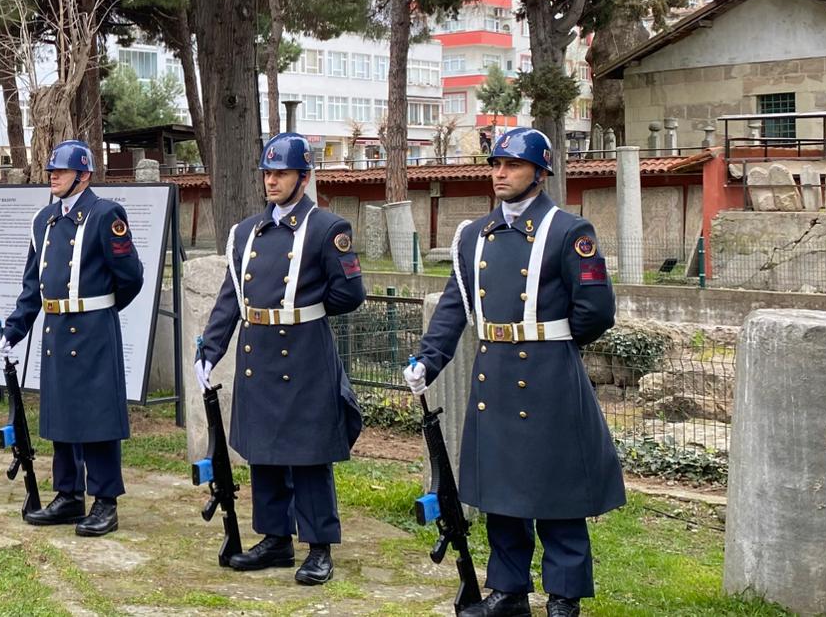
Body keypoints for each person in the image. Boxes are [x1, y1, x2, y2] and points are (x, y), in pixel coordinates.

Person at [404, 127, 624, 617]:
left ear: (540, 173)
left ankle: (564, 598)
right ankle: (507, 591)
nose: (500, 174)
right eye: (495, 165)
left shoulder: (570, 231)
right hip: (494, 375)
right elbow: (454, 309)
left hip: (550, 376)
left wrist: (550, 344)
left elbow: (596, 311)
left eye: (513, 166)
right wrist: (427, 360)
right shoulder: (474, 236)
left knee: (558, 493)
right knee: (501, 491)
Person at [193, 132, 366, 585]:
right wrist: (211, 350)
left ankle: (319, 546)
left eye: (281, 173)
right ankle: (275, 539)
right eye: (267, 173)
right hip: (259, 353)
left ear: (303, 177)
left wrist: (302, 311)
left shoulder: (329, 228)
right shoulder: (245, 232)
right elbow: (231, 298)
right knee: (264, 450)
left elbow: (349, 294)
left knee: (309, 455)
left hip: (305, 353)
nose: (271, 181)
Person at [0, 139, 143, 536]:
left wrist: (101, 309)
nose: (53, 177)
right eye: (51, 171)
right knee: (61, 415)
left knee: (98, 419)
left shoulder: (104, 214)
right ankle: (68, 494)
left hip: (94, 329)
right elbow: (34, 286)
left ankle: (104, 500)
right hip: (57, 330)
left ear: (84, 175)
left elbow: (131, 276)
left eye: (61, 171)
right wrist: (15, 327)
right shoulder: (44, 220)